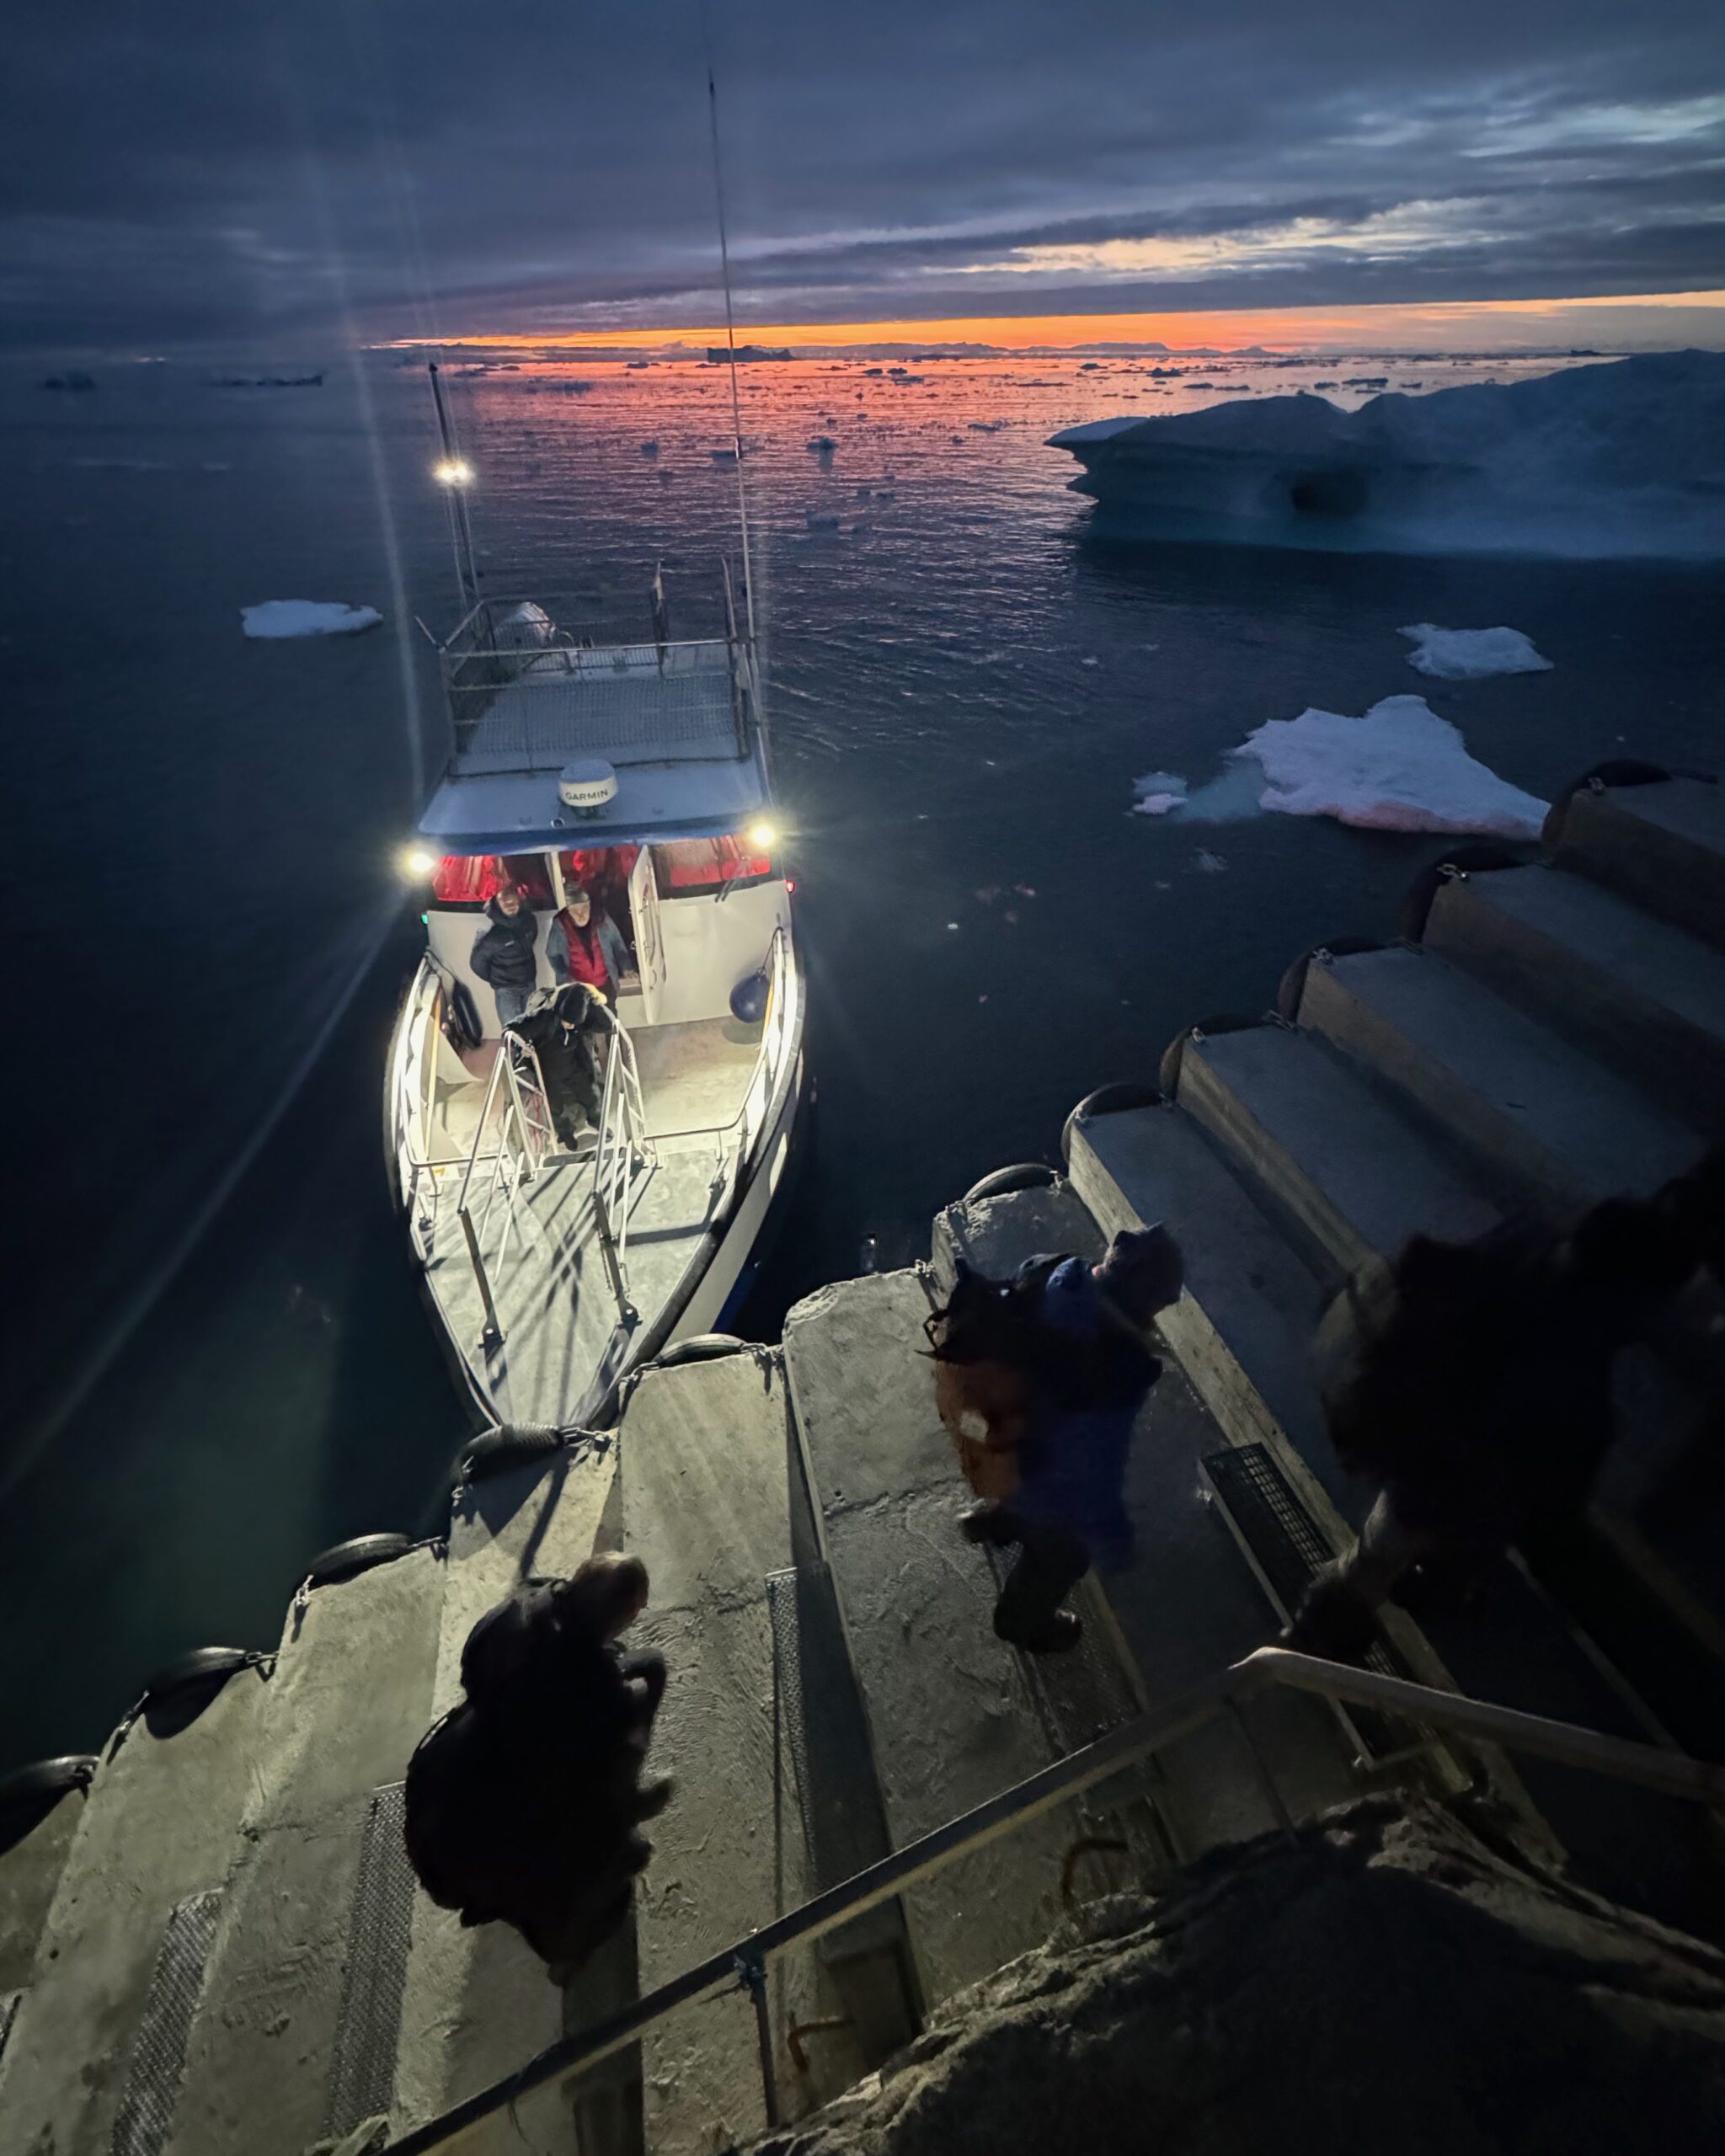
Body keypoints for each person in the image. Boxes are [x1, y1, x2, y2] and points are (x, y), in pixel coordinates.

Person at [1287, 1149, 1725, 1661]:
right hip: (1427, 1442)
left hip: (1380, 1373)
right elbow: (1547, 1522)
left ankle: (1368, 1604)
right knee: (1437, 1521)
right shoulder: (1570, 1388)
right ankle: (1341, 1622)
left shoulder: (1525, 1244)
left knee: (1435, 1513)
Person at [403, 1555, 671, 1980]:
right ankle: (563, 1947)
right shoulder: (601, 1695)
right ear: (625, 1615)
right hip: (473, 1855)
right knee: (619, 1866)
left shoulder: (518, 1609)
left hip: (434, 1790)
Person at [931, 1226, 1184, 1653]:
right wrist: (1113, 1535)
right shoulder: (1117, 1371)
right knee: (1064, 1558)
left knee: (1020, 1481)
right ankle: (1021, 1624)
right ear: (1150, 1302)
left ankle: (997, 1517)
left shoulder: (1055, 1270)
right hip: (1042, 1475)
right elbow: (1097, 1466)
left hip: (1000, 1434)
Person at [507, 982, 605, 1147]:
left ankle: (597, 1123)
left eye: (574, 1023)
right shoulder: (544, 1019)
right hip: (549, 1073)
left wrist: (595, 1004)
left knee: (592, 1097)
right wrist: (520, 1047)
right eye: (567, 1021)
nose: (570, 1026)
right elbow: (512, 1029)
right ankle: (566, 1133)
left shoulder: (583, 1020)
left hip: (576, 1069)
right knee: (553, 1109)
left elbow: (608, 1024)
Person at [468, 883, 540, 1031]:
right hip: (506, 991)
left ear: (519, 900)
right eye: (504, 902)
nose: (510, 905)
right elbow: (477, 964)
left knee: (533, 1026)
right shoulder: (492, 936)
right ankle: (514, 1053)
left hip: (529, 983)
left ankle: (532, 1053)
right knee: (512, 1031)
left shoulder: (530, 922)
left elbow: (532, 940)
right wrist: (498, 978)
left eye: (513, 901)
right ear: (497, 904)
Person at [553, 883, 630, 1006]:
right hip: (578, 989)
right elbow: (553, 955)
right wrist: (564, 975)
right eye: (574, 909)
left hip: (604, 984)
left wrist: (626, 967)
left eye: (583, 908)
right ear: (568, 910)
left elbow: (617, 943)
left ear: (589, 905)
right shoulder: (560, 925)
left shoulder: (601, 919)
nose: (580, 913)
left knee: (608, 1020)